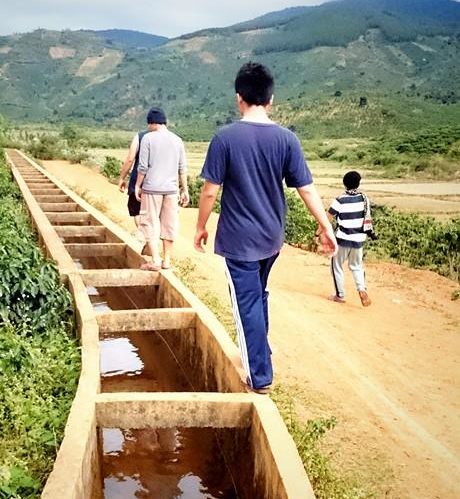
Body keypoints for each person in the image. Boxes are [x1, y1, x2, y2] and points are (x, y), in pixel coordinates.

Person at [194, 62, 337, 394]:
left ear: (238, 98)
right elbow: (306, 188)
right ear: (271, 99)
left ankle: (259, 375)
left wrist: (201, 226)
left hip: (238, 239)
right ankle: (262, 352)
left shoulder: (225, 138)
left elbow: (210, 191)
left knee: (246, 304)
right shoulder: (287, 139)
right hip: (272, 237)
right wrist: (325, 226)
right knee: (257, 295)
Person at [134, 107, 189, 271]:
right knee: (169, 224)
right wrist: (185, 189)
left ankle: (156, 260)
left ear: (152, 123)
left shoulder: (148, 138)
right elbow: (182, 168)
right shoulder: (178, 140)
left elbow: (143, 167)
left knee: (149, 222)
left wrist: (137, 185)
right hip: (171, 190)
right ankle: (167, 261)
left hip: (152, 189)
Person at [327, 170, 372, 307]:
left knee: (336, 266)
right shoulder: (364, 199)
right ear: (358, 183)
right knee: (357, 266)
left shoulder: (340, 200)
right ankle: (362, 289)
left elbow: (327, 219)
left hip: (342, 239)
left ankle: (340, 295)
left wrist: (318, 233)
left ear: (344, 183)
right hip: (359, 239)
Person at [118, 124, 152, 226]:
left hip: (138, 180)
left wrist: (122, 178)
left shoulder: (139, 136)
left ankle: (143, 233)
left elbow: (130, 159)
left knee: (137, 211)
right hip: (158, 182)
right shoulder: (169, 138)